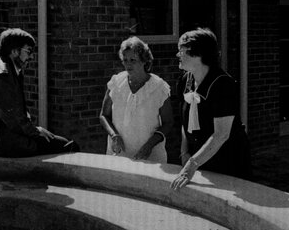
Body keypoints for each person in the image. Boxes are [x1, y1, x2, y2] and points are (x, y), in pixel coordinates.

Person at [0, 28, 78, 156]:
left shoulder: (0, 69)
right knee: (69, 146)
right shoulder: (3, 75)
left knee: (62, 143)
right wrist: (36, 131)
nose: (31, 56)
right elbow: (13, 119)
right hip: (3, 145)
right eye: (28, 51)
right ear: (14, 51)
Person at [170, 28, 252, 190]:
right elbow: (185, 122)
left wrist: (191, 165)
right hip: (198, 159)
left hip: (228, 160)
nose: (178, 55)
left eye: (182, 50)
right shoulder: (185, 80)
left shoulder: (223, 85)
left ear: (198, 54)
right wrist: (184, 153)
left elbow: (221, 134)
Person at [98, 36, 173, 163]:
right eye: (125, 60)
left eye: (133, 60)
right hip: (119, 154)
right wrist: (114, 135)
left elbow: (168, 122)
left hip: (150, 156)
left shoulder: (159, 87)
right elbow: (104, 116)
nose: (128, 64)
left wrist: (149, 145)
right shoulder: (115, 83)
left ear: (144, 60)